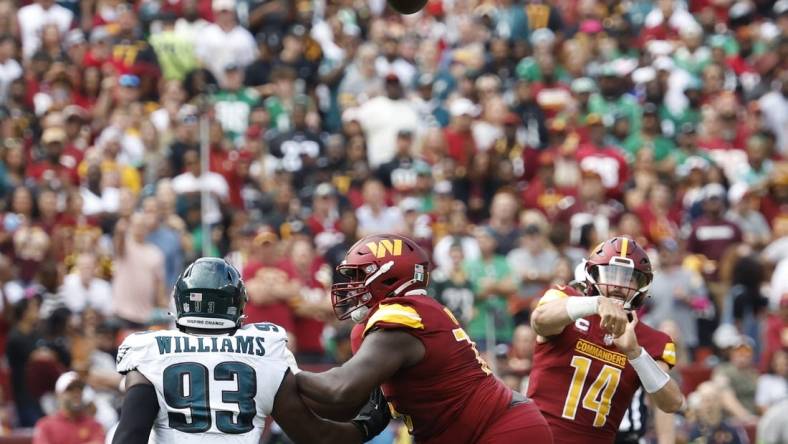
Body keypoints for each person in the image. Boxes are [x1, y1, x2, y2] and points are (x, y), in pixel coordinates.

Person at [295, 234, 553, 443]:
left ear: (389, 275)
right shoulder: (390, 324)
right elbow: (345, 416)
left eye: (359, 276)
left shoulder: (402, 318)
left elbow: (338, 389)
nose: (352, 286)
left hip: (501, 430)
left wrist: (283, 372)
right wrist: (280, 398)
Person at [111, 257, 389, 444]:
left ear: (182, 301)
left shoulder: (149, 350)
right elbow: (314, 434)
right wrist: (365, 427)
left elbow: (129, 436)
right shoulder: (263, 349)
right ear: (237, 304)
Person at [528, 236, 684, 443]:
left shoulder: (652, 340)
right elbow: (540, 320)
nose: (619, 285)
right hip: (539, 435)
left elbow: (672, 403)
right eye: (611, 274)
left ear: (641, 284)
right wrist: (596, 304)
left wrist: (636, 354)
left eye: (628, 278)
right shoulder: (565, 298)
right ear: (593, 276)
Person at [32, 371, 105, 444]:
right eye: (70, 390)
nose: (76, 394)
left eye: (80, 389)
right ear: (59, 395)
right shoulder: (45, 425)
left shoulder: (94, 424)